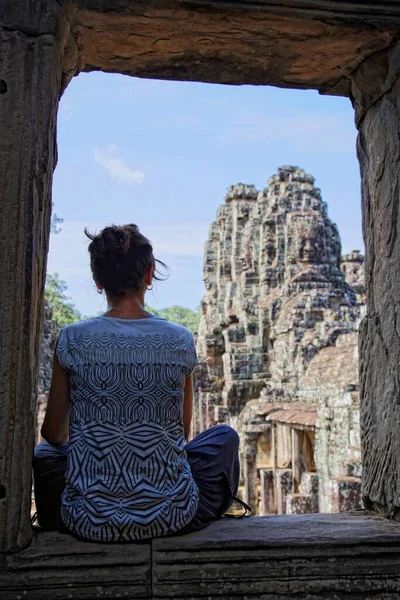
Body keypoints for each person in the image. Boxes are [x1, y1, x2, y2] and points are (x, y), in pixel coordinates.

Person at [33, 224, 241, 542]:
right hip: (173, 514)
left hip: (88, 519)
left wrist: (99, 448)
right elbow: (181, 433)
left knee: (45, 454)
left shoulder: (71, 338)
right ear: (149, 275)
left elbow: (53, 434)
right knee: (224, 438)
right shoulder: (180, 339)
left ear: (97, 280)